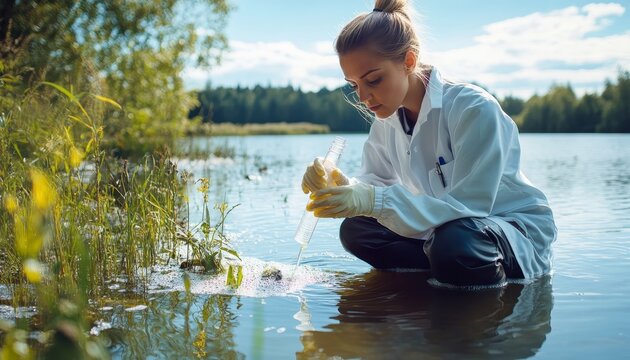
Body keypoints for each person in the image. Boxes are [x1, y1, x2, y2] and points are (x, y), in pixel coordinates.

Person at [302, 0, 557, 287]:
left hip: (504, 229)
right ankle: (440, 272)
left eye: (373, 79)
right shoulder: (385, 122)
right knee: (357, 230)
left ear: (409, 61)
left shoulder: (473, 109)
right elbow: (375, 184)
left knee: (456, 243)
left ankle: (470, 290)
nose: (363, 96)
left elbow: (468, 207)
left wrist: (369, 200)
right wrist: (343, 186)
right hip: (447, 230)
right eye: (354, 85)